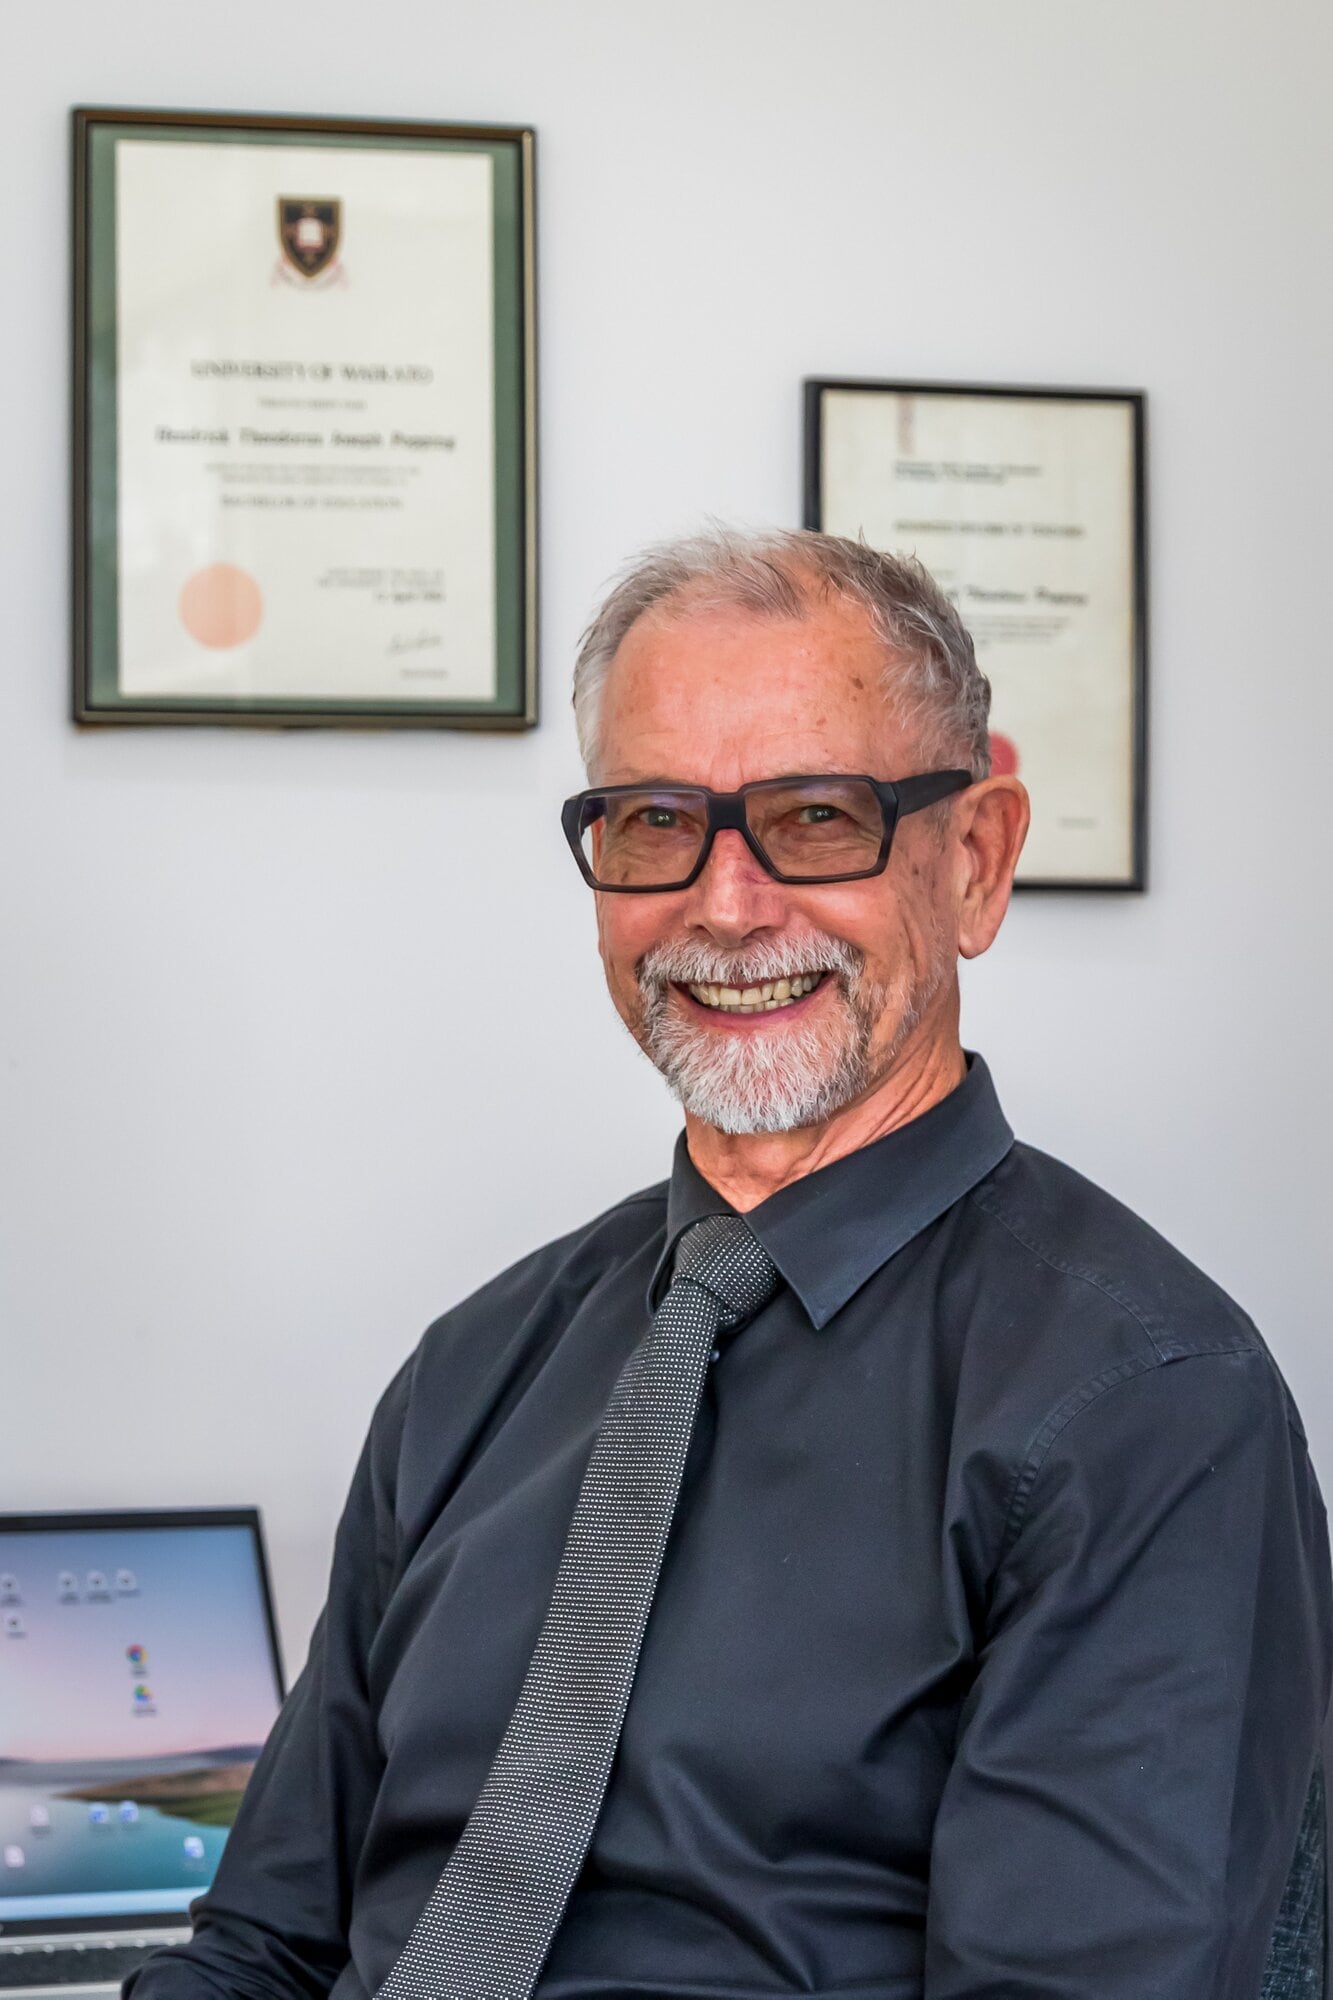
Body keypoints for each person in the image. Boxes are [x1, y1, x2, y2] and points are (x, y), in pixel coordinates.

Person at [128, 528, 1332, 2000]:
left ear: (973, 859)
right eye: (653, 820)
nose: (724, 903)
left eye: (815, 816)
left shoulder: (1145, 1408)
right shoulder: (470, 1373)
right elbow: (258, 1950)